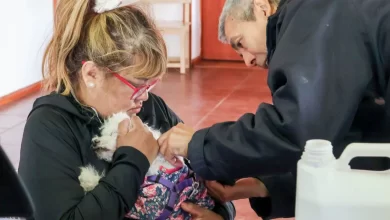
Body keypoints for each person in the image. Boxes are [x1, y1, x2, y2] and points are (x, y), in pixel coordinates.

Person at [158, 0, 390, 219]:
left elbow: (297, 129)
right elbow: (350, 135)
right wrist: (264, 185)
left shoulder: (314, 12)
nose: (247, 60)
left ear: (261, 7)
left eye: (240, 43)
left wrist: (200, 144)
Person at [18, 0, 234, 219]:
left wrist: (221, 213)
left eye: (151, 84)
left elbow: (212, 187)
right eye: (138, 85)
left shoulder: (150, 107)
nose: (146, 95)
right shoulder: (49, 126)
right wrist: (133, 158)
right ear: (91, 74)